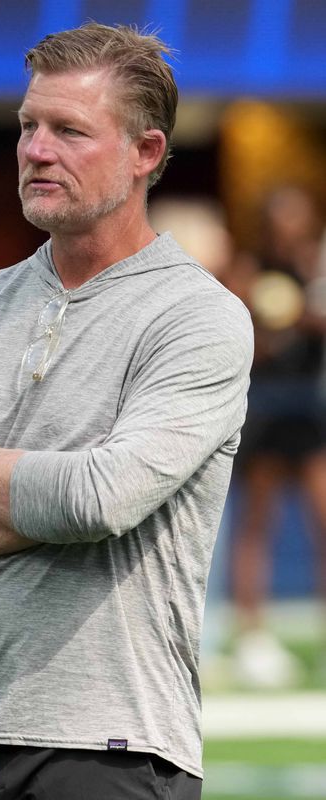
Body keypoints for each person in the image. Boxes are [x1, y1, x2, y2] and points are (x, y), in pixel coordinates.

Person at [0, 23, 253, 800]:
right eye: (28, 126)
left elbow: (99, 497)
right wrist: (58, 497)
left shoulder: (197, 317)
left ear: (144, 152)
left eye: (69, 130)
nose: (36, 150)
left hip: (110, 742)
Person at [229, 186, 326, 688]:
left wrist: (306, 315)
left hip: (308, 411)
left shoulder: (317, 265)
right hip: (265, 409)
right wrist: (267, 330)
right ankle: (251, 633)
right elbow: (237, 335)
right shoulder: (249, 269)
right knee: (256, 522)